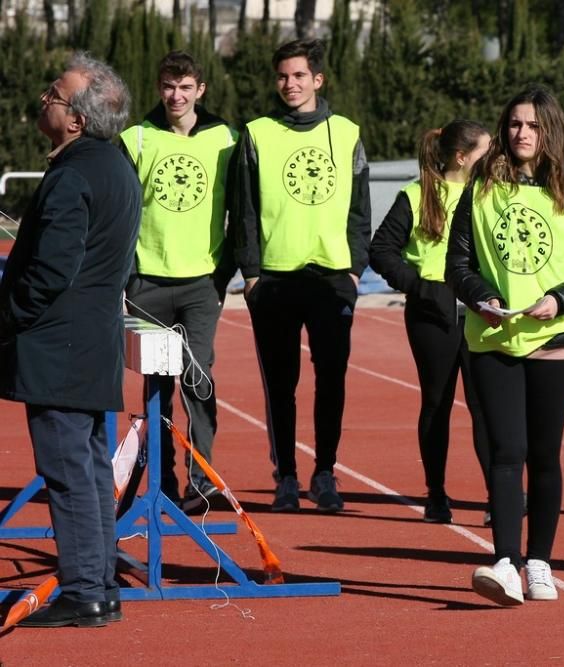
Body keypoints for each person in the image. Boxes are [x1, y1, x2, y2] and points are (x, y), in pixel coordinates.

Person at [446, 86, 564, 606]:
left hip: (557, 342)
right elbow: (458, 264)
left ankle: (539, 561)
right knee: (506, 451)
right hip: (494, 339)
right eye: (515, 124)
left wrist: (559, 300)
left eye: (534, 126)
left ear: (551, 133)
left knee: (544, 454)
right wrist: (481, 297)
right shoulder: (480, 190)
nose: (522, 134)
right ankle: (505, 562)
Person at [0, 54, 141, 627]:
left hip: (59, 347)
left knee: (69, 472)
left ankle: (86, 589)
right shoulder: (113, 167)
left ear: (78, 120)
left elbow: (50, 272)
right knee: (83, 469)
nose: (44, 100)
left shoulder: (76, 174)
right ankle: (98, 583)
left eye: (54, 95)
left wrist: (7, 316)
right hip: (87, 344)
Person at [230, 38, 371, 513]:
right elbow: (243, 209)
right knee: (281, 384)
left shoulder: (347, 132)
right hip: (273, 279)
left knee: (331, 380)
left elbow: (359, 210)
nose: (289, 84)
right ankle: (286, 476)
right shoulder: (256, 133)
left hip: (332, 278)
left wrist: (354, 269)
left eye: (298, 76)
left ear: (317, 80)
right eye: (282, 76)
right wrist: (250, 274)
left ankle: (325, 472)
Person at [120, 51, 238, 514]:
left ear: (200, 90)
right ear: (158, 87)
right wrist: (127, 276)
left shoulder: (225, 138)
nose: (177, 95)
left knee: (200, 379)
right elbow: (122, 213)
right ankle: (163, 481)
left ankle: (202, 481)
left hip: (200, 284)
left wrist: (224, 271)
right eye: (169, 86)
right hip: (148, 282)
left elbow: (242, 209)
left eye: (186, 86)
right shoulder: (137, 139)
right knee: (157, 387)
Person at [370, 121, 492, 524]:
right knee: (437, 404)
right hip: (432, 316)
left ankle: (498, 495)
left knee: (487, 407)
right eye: (485, 152)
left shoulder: (493, 194)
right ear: (461, 157)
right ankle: (436, 493)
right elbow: (382, 250)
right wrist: (420, 287)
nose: (494, 159)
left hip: (483, 316)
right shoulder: (417, 193)